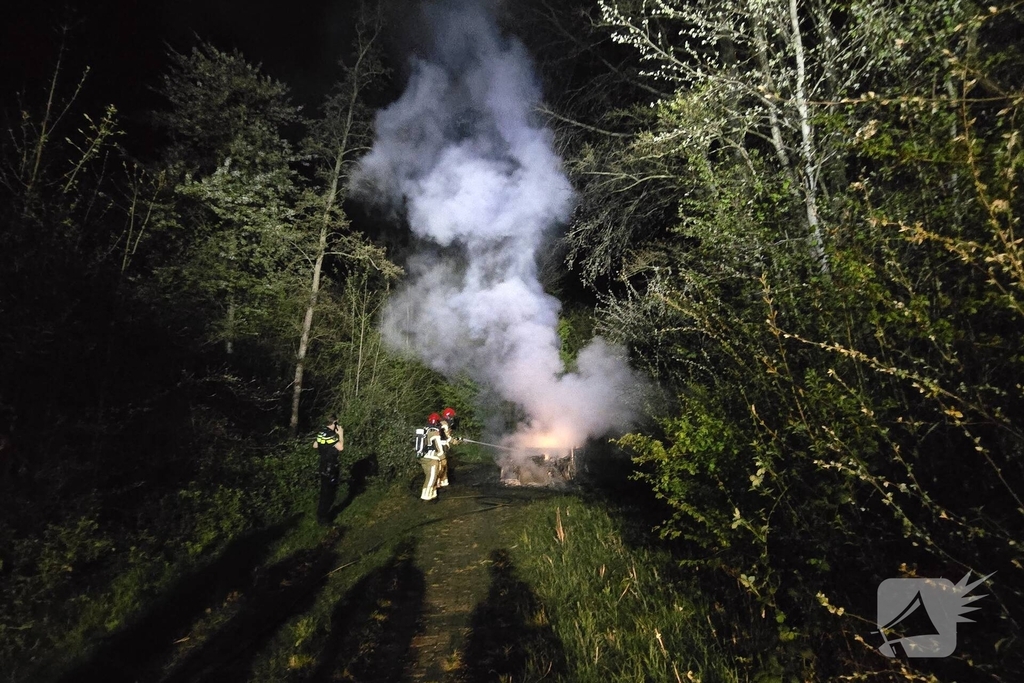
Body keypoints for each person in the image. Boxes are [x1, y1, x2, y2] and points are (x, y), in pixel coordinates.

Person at [313, 414, 344, 525]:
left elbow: (315, 445)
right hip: (330, 468)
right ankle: (323, 518)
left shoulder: (322, 432)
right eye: (337, 422)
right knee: (329, 494)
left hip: (322, 466)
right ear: (334, 422)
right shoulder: (331, 435)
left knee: (324, 492)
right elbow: (341, 447)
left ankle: (321, 515)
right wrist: (340, 435)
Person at [418, 413, 446, 501]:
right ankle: (426, 497)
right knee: (431, 477)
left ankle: (432, 494)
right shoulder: (435, 432)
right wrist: (443, 458)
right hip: (431, 459)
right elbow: (439, 448)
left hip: (423, 457)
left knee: (430, 476)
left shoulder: (425, 429)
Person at [437, 407, 458, 487]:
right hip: (442, 447)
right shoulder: (444, 424)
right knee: (442, 465)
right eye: (452, 417)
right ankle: (440, 482)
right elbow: (447, 437)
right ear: (449, 417)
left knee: (444, 464)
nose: (453, 419)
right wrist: (454, 441)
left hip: (442, 446)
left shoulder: (442, 422)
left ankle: (443, 481)